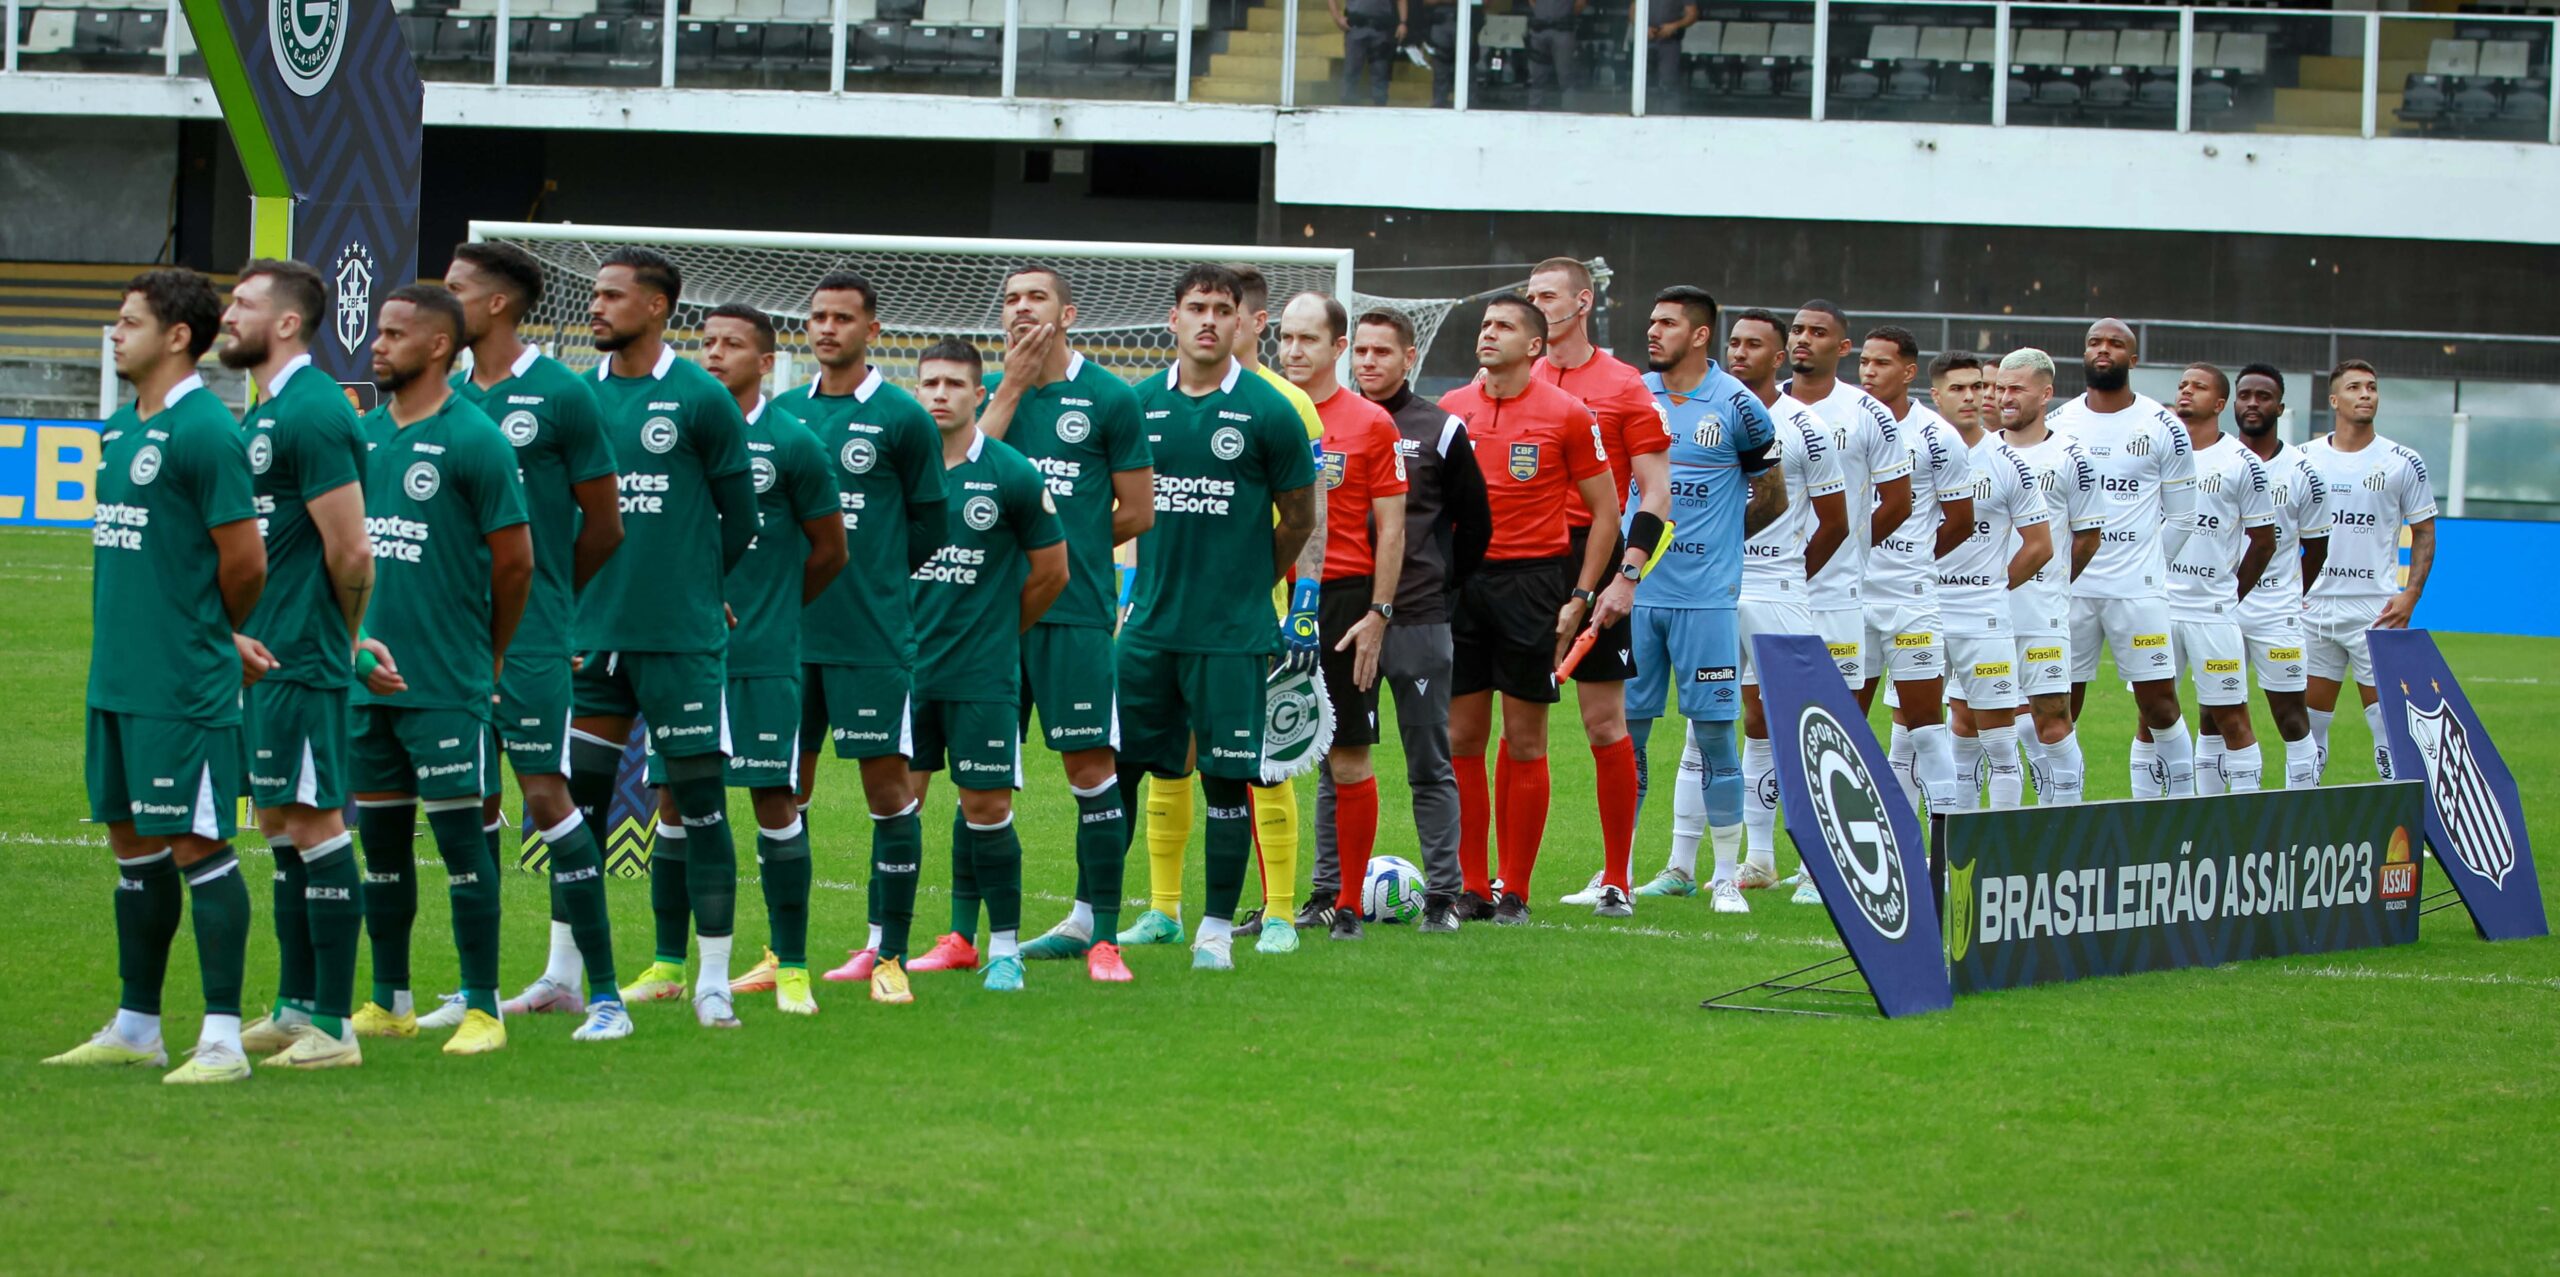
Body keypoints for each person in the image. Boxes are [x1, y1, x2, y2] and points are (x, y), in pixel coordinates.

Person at [48, 268, 269, 1082]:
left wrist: (211, 633)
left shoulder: (207, 431)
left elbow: (246, 562)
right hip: (117, 677)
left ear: (178, 336)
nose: (114, 332)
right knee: (133, 847)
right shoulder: (118, 427)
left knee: (201, 844)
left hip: (182, 684)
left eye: (128, 320)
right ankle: (138, 1022)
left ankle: (222, 1036)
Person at [532, 248, 756, 1037]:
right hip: (592, 639)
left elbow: (744, 520)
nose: (597, 307)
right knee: (573, 808)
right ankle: (562, 974)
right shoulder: (570, 398)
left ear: (658, 308)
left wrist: (698, 593)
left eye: (613, 296)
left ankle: (715, 982)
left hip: (678, 641)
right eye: (594, 295)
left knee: (699, 807)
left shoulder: (700, 397)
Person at [620, 305, 845, 1018]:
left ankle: (794, 966)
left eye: (732, 344)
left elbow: (830, 550)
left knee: (774, 801)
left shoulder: (791, 442)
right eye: (707, 341)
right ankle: (665, 962)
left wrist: (772, 607)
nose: (715, 353)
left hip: (760, 655)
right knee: (672, 800)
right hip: (684, 652)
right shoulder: (673, 430)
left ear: (765, 359)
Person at [422, 239, 623, 1035]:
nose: (443, 301)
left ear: (498, 302)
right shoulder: (443, 396)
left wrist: (552, 602)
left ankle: (601, 994)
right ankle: (477, 994)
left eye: (455, 289)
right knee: (471, 800)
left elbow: (603, 525)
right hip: (453, 636)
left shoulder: (563, 394)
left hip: (533, 631)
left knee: (547, 795)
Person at [1114, 264, 1319, 971]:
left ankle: (1214, 932)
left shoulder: (1271, 411)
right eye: (1195, 307)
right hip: (1148, 629)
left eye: (1221, 308)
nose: (1208, 319)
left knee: (1234, 778)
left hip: (1233, 634)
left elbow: (1300, 518)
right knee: (1121, 770)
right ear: (1172, 319)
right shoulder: (1135, 404)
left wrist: (1248, 583)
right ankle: (1110, 922)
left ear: (1241, 322)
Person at [345, 286, 532, 1055]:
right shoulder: (363, 436)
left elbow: (516, 562)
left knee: (462, 846)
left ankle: (482, 1006)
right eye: (379, 331)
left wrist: (486, 655)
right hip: (369, 677)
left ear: (436, 348)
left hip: (448, 680)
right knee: (382, 848)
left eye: (394, 334)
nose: (377, 345)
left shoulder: (476, 438)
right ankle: (391, 998)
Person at [771, 273, 945, 1002]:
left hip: (870, 636)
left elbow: (930, 526)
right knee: (784, 790)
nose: (828, 328)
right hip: (787, 639)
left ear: (873, 330)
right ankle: (782, 957)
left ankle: (891, 956)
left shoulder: (903, 418)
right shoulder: (783, 415)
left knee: (887, 791)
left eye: (844, 318)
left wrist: (873, 579)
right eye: (817, 317)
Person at [218, 260, 375, 1066]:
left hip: (304, 654)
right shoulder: (267, 412)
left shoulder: (314, 411)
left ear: (285, 322)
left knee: (314, 822)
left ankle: (336, 1028)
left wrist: (340, 642)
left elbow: (352, 548)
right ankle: (294, 1005)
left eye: (242, 303)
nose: (227, 314)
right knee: (281, 822)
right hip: (267, 656)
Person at [977, 265, 1151, 983]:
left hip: (1074, 610)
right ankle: (971, 936)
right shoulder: (990, 395)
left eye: (1035, 298)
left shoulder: (1109, 396)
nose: (1021, 309)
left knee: (1091, 768)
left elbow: (1137, 511)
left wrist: (1067, 546)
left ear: (1068, 313)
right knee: (981, 775)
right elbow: (962, 477)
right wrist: (1011, 388)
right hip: (988, 616)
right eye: (1011, 299)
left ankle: (1100, 934)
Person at [1645, 306, 1846, 908]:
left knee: (1791, 726)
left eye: (1755, 344)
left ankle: (1813, 867)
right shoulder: (1687, 403)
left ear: (1778, 357)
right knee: (1701, 729)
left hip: (1777, 589)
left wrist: (1781, 570)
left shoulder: (1803, 426)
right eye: (1735, 342)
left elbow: (1833, 522)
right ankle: (1684, 865)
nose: (1740, 353)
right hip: (1701, 591)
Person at [1309, 309, 1491, 933]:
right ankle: (1327, 891)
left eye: (1382, 352)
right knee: (1337, 759)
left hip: (1414, 619)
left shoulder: (1440, 429)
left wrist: (1437, 587)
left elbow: (1476, 525)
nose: (1368, 363)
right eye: (1360, 351)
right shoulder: (1324, 422)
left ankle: (1444, 896)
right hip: (1340, 617)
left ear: (1409, 357)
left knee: (1428, 760)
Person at [1438, 295, 1618, 923]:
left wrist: (1581, 595)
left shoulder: (1568, 414)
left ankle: (1515, 888)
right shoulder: (1451, 410)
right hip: (1461, 585)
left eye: (1505, 326)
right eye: (1486, 325)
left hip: (1533, 586)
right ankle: (1470, 885)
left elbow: (1606, 514)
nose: (1489, 334)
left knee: (1524, 740)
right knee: (1461, 737)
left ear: (1535, 345)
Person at [906, 339, 1069, 992]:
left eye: (954, 384)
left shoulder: (1013, 473)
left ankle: (1003, 948)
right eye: (929, 383)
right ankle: (881, 947)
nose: (940, 393)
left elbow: (1052, 571)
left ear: (981, 394)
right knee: (897, 809)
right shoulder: (897, 471)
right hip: (908, 672)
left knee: (986, 807)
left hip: (982, 674)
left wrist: (1000, 628)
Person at [1623, 285, 1781, 920]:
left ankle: (1721, 878)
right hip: (1635, 595)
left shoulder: (1740, 406)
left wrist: (1722, 544)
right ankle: (1616, 873)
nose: (1653, 332)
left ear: (1699, 334)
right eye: (1651, 321)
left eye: (1666, 324)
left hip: (1707, 601)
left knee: (1716, 735)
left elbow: (1771, 491)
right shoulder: (1633, 395)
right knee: (1623, 739)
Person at [1526, 258, 1669, 915]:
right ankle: (1505, 880)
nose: (1536, 304)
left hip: (1596, 549)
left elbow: (1656, 490)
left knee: (1603, 719)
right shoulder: (1513, 377)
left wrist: (1628, 576)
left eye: (1547, 295)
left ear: (1582, 301)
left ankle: (1618, 876)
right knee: (1516, 720)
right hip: (1519, 556)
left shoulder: (1622, 384)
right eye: (1529, 296)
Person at [1275, 292, 1408, 941]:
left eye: (1308, 339)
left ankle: (1348, 902)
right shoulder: (1259, 409)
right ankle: (1277, 901)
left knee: (1349, 755)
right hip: (1267, 594)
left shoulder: (1370, 423)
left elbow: (1391, 528)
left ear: (1337, 347)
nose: (1294, 350)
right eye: (1286, 338)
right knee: (1264, 754)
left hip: (1343, 598)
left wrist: (1379, 612)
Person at [1782, 300, 1910, 891]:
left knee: (1838, 728)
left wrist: (1849, 553)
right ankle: (1753, 860)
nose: (1803, 340)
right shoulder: (1759, 406)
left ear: (1844, 346)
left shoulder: (1867, 414)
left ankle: (1827, 864)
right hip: (1762, 589)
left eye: (1818, 332)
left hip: (1834, 595)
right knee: (1758, 722)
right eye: (1798, 331)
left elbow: (1898, 500)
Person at [2056, 319, 2202, 797]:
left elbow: (2183, 517)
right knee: (2059, 707)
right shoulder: (2059, 423)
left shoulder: (2162, 426)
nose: (2104, 350)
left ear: (2133, 359)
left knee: (2159, 705)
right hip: (2071, 590)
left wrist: (2145, 566)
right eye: (2095, 343)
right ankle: (2062, 813)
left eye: (2116, 344)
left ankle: (2185, 808)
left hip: (2137, 592)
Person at [1856, 325, 1975, 817]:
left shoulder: (1938, 436)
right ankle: (1826, 860)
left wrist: (1916, 559)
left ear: (1908, 372)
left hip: (1910, 600)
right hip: (1850, 599)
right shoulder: (1846, 422)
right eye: (1864, 361)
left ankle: (1944, 846)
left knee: (1926, 726)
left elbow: (1962, 521)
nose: (1868, 371)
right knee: (1845, 726)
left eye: (1881, 363)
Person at [2300, 360, 2436, 782]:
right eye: (2355, 387)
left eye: (2372, 387)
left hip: (2375, 609)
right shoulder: (2304, 459)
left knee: (2387, 723)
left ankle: (2398, 831)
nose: (2366, 394)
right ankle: (2303, 816)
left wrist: (2410, 593)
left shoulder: (2402, 461)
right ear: (2334, 400)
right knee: (2307, 725)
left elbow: (2425, 532)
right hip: (2313, 606)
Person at [1932, 351, 2053, 812]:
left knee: (2001, 742)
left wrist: (1989, 589)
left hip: (1983, 616)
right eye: (1959, 388)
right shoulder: (1918, 451)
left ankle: (1998, 855)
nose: (1972, 397)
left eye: (1979, 388)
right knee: (1917, 737)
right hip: (1921, 609)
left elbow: (2040, 544)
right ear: (1936, 395)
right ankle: (1936, 852)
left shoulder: (2007, 460)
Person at [2148, 363, 2275, 795]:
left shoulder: (2243, 463)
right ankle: (2151, 814)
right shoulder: (2156, 452)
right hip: (2156, 609)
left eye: (2198, 387)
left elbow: (2264, 541)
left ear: (2220, 404)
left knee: (2231, 717)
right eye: (2182, 385)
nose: (2186, 392)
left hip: (2213, 612)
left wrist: (2229, 593)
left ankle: (2243, 821)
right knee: (2151, 716)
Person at [1992, 348, 2104, 805]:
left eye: (2016, 388)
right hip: (1986, 611)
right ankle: (2000, 830)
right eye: (2000, 387)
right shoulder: (1980, 450)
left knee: (2052, 717)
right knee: (1984, 723)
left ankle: (2067, 824)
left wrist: (2053, 582)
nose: (2005, 397)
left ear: (2046, 393)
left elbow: (2088, 537)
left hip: (2043, 612)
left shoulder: (2073, 457)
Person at [2229, 364, 2331, 789]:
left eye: (2263, 396)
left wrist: (2291, 593)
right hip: (2220, 609)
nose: (2253, 403)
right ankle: (2227, 814)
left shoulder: (2304, 471)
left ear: (2280, 407)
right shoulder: (2213, 461)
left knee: (2291, 718)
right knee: (2218, 715)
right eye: (2246, 395)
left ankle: (2301, 816)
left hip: (2276, 612)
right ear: (2233, 403)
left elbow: (2317, 547)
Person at [1329, 0, 1405, 104]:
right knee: (1351, 70)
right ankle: (1347, 107)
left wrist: (1403, 23)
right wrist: (1336, 17)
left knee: (1380, 72)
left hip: (1381, 29)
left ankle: (1380, 110)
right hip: (1356, 27)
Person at [1525, 0, 1583, 109]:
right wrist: (1541, 14)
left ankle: (1569, 113)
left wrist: (1566, 17)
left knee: (1566, 74)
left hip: (1563, 29)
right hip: (1540, 28)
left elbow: (1580, 3)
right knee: (1536, 74)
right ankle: (1533, 110)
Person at [1643, 0, 1697, 105]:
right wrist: (1643, 26)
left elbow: (1692, 14)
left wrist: (1674, 26)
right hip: (1644, 42)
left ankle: (1669, 115)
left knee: (1668, 82)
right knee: (1643, 83)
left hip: (1670, 42)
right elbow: (1633, 10)